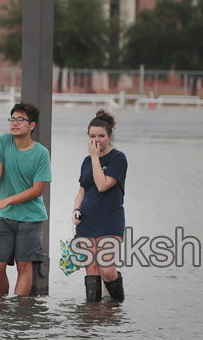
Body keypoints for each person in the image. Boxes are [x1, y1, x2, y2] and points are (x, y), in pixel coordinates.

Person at [0, 101, 52, 296]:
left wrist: (5, 201)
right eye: (12, 119)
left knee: (24, 266)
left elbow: (37, 190)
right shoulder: (3, 141)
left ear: (32, 125)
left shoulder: (41, 153)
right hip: (5, 218)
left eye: (20, 120)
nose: (14, 123)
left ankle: (18, 311)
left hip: (31, 218)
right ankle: (1, 306)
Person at [72, 109, 127, 301]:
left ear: (110, 136)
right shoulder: (87, 161)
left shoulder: (118, 158)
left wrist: (95, 157)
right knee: (91, 269)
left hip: (110, 220)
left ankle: (117, 308)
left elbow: (103, 185)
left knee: (107, 269)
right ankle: (91, 314)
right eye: (92, 136)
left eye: (101, 136)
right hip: (87, 220)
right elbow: (82, 190)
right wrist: (76, 210)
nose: (96, 140)